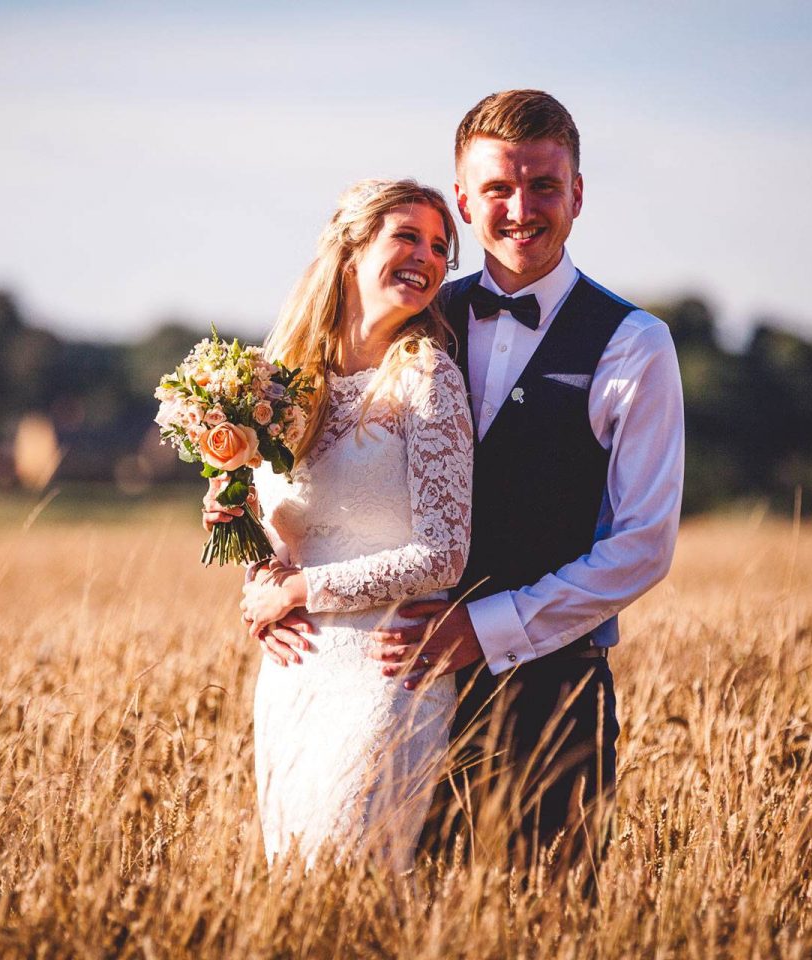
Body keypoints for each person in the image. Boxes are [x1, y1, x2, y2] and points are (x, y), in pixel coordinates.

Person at [236, 90, 685, 866]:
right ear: (465, 199)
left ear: (577, 192)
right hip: (386, 691)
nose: (521, 208)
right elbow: (303, 464)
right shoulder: (408, 313)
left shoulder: (634, 346)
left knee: (541, 923)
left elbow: (642, 545)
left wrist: (488, 627)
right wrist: (264, 575)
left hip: (549, 693)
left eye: (544, 185)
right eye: (498, 189)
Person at [222, 178, 474, 871]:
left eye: (440, 246)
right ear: (351, 249)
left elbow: (443, 555)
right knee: (297, 889)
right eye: (408, 236)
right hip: (292, 677)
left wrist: (298, 592)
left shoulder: (428, 378)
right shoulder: (277, 384)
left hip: (388, 673)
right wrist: (258, 578)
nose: (428, 256)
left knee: (350, 878)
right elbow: (263, 520)